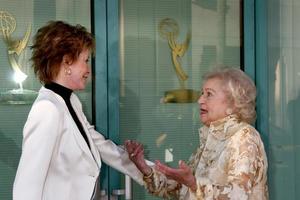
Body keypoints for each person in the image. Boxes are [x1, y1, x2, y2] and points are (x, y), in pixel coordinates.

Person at [13, 21, 143, 200]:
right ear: (67, 62)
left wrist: (151, 171)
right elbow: (27, 186)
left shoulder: (70, 101)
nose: (88, 70)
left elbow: (101, 147)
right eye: (85, 60)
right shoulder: (47, 109)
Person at [125, 67, 269, 199]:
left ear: (233, 103)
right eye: (202, 93)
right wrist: (145, 169)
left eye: (209, 94)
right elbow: (181, 189)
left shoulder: (244, 137)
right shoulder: (211, 137)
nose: (200, 100)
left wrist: (194, 184)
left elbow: (238, 195)